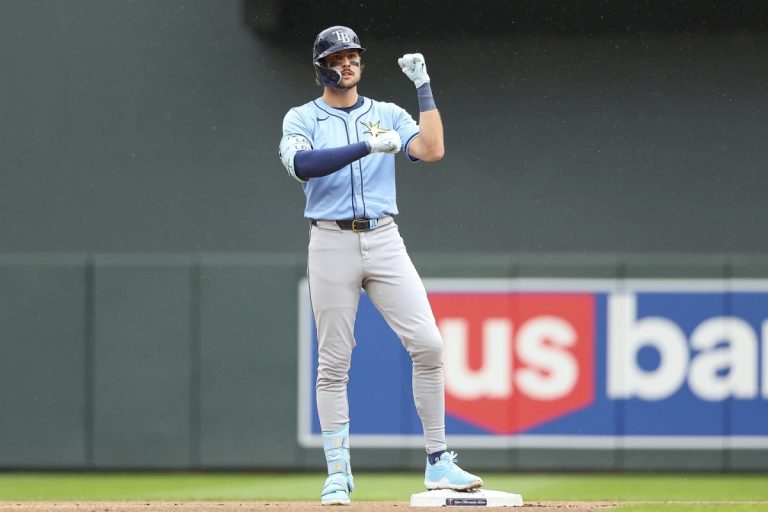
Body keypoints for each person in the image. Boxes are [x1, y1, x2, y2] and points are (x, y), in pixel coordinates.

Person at [278, 25, 483, 506]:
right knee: (334, 363)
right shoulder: (301, 117)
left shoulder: (386, 112)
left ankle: (439, 462)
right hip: (330, 239)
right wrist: (366, 147)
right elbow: (303, 166)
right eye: (337, 57)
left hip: (384, 236)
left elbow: (431, 150)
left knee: (429, 344)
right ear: (321, 67)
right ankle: (337, 473)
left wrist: (423, 87)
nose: (347, 63)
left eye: (353, 56)